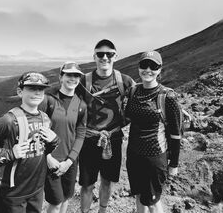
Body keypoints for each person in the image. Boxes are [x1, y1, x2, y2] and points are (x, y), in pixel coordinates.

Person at [0, 72, 59, 213]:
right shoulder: (8, 121)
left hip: (36, 189)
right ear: (20, 92)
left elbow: (43, 151)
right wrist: (10, 153)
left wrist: (54, 142)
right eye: (31, 88)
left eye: (41, 89)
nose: (37, 92)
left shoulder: (45, 119)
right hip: (12, 193)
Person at [77, 39, 136, 213]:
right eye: (100, 54)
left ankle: (102, 210)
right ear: (94, 56)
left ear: (115, 57)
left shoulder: (124, 81)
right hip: (89, 140)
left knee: (107, 181)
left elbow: (139, 102)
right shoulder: (83, 81)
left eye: (109, 54)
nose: (104, 57)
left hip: (113, 138)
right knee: (87, 184)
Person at [125, 50, 181, 213]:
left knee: (152, 201)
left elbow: (175, 134)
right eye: (144, 65)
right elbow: (127, 118)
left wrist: (174, 164)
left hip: (155, 157)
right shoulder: (133, 92)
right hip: (134, 154)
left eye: (153, 66)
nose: (148, 69)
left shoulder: (167, 96)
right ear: (138, 67)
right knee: (139, 195)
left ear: (159, 70)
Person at [39, 62, 87, 213]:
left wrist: (69, 161)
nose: (73, 79)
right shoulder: (48, 101)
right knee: (56, 202)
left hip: (69, 162)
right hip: (50, 161)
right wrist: (47, 158)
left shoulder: (81, 105)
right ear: (61, 77)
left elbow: (80, 135)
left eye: (76, 76)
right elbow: (36, 131)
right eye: (69, 75)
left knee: (66, 197)